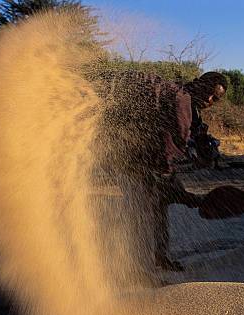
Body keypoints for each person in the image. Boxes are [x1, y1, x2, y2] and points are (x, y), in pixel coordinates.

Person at [97, 70, 228, 271]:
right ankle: (137, 270)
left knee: (158, 207)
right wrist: (179, 185)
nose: (210, 100)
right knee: (145, 209)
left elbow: (184, 142)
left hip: (140, 159)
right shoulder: (181, 101)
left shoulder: (189, 106)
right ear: (200, 84)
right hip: (132, 160)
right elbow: (169, 149)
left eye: (215, 99)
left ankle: (159, 257)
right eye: (210, 93)